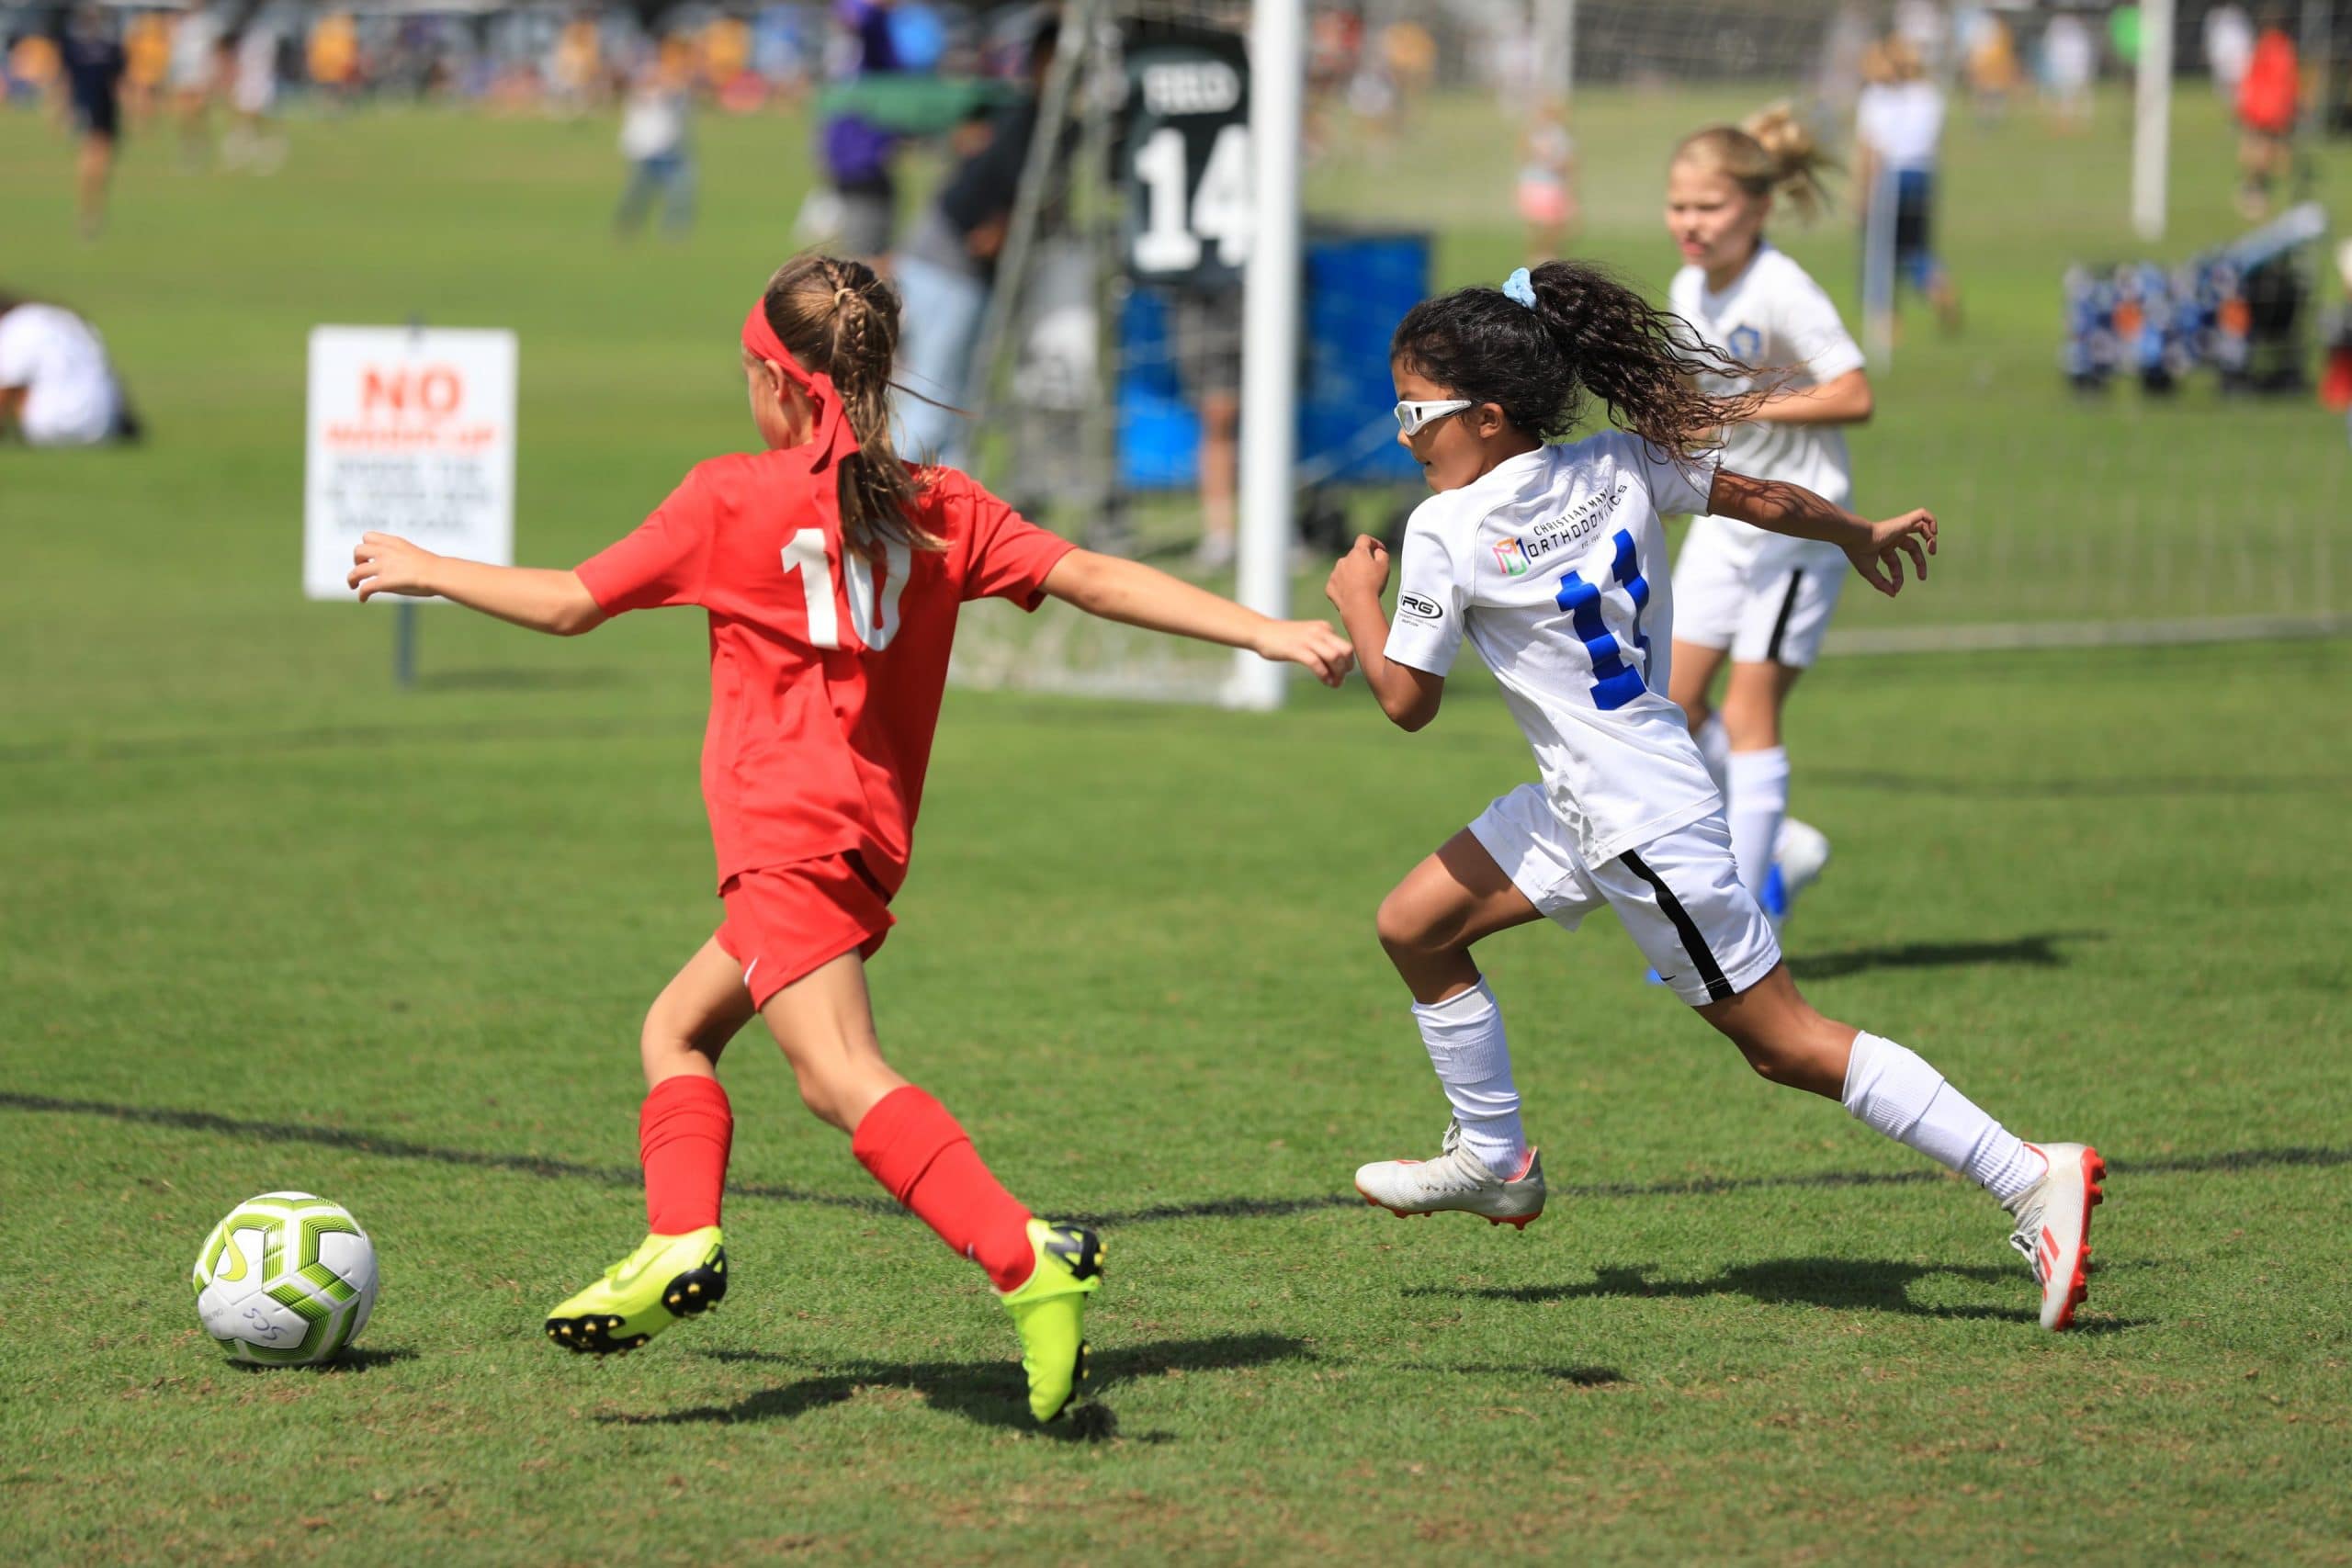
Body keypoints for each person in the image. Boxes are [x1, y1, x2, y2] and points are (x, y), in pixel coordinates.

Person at [345, 254, 1354, 1421]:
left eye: (748, 374)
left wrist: (429, 568)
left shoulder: (730, 499)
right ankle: (677, 1237)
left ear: (780, 380)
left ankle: (1028, 1261)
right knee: (676, 1028)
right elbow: (1094, 578)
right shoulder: (937, 505)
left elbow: (575, 601)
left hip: (787, 836)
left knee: (837, 1079)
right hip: (860, 842)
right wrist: (1264, 632)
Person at [1321, 260, 2103, 1333]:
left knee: (1783, 1042)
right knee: (1415, 925)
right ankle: (1494, 1159)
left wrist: (1358, 601)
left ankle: (2027, 1175)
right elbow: (1763, 497)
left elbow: (1406, 700)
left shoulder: (1443, 530)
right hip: (1599, 793)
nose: (1403, 432)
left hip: (1637, 825)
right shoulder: (1620, 461)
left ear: (1487, 418)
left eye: (1415, 410)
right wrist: (1855, 532)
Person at [1661, 110, 1870, 930]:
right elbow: (1703, 406)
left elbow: (1853, 391)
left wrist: (1744, 403)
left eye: (1708, 207)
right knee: (1672, 706)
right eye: (1678, 206)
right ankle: (1780, 842)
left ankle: (1740, 929)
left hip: (1798, 528)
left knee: (1750, 712)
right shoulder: (1687, 288)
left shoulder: (1780, 287)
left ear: (1758, 207)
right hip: (1726, 516)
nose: (1690, 223)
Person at [892, 22, 1057, 468]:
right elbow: (972, 212)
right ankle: (871, 513)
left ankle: (949, 523)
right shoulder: (1025, 121)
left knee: (956, 410)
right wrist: (997, 228)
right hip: (946, 269)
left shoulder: (1036, 120)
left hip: (952, 271)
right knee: (932, 404)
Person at [1855, 36, 1961, 333]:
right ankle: (1940, 288)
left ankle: (1885, 322)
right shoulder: (1929, 96)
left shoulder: (1877, 98)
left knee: (1879, 251)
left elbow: (1871, 149)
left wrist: (1863, 192)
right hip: (1923, 176)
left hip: (1890, 176)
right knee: (1916, 248)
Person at [0, 291, 137, 446]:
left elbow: (8, 388)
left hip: (50, 426)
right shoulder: (67, 318)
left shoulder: (17, 325)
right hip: (103, 427)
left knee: (19, 386)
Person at [58, 5, 126, 240]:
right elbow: (66, 79)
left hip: (107, 108)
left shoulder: (111, 48)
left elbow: (120, 82)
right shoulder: (74, 47)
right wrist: (64, 108)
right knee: (91, 156)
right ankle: (89, 212)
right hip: (86, 107)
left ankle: (93, 209)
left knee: (103, 160)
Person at [613, 47, 695, 239]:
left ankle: (674, 232)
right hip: (644, 154)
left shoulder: (674, 98)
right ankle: (626, 226)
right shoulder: (643, 97)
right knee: (637, 195)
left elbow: (677, 95)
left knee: (680, 193)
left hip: (670, 153)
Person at [2233, 13, 2300, 220]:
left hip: (2261, 108)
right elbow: (2285, 81)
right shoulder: (2280, 48)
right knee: (2268, 153)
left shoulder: (2266, 46)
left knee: (2265, 152)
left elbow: (2251, 78)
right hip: (2270, 109)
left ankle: (2256, 191)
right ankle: (2255, 192)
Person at [1516, 99, 1578, 264]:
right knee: (1536, 222)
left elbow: (1568, 162)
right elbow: (1524, 155)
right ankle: (1537, 255)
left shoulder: (1560, 136)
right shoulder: (1533, 135)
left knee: (1556, 223)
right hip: (1536, 183)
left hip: (1553, 184)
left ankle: (1548, 253)